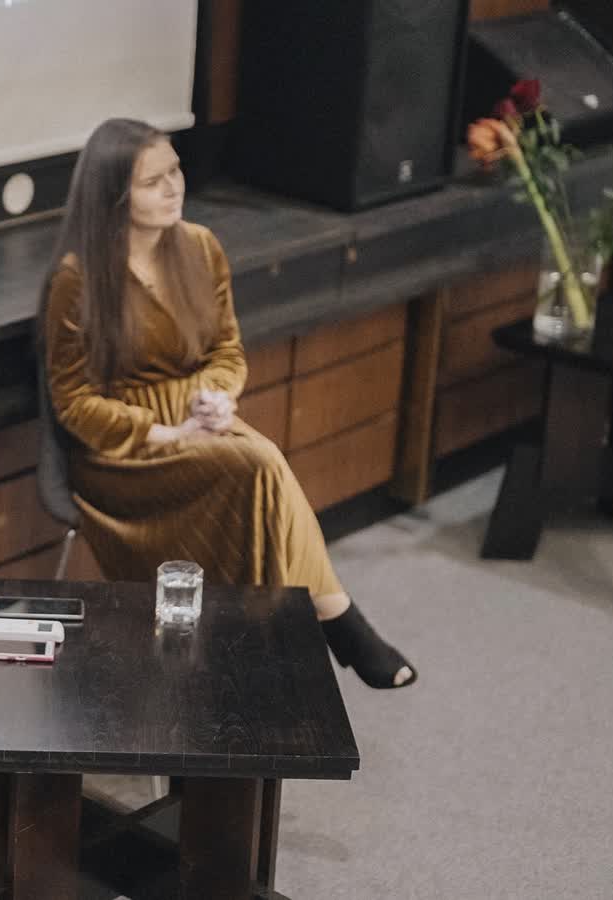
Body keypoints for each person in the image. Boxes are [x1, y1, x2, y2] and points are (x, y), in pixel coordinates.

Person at [40, 118, 416, 689]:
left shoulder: (200, 247)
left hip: (198, 419)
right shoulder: (77, 279)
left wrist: (217, 394)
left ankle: (265, 646)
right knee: (261, 465)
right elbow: (72, 402)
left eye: (176, 171)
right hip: (123, 452)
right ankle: (328, 622)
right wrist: (162, 434)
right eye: (153, 182)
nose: (174, 188)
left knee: (260, 469)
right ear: (114, 195)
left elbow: (227, 350)